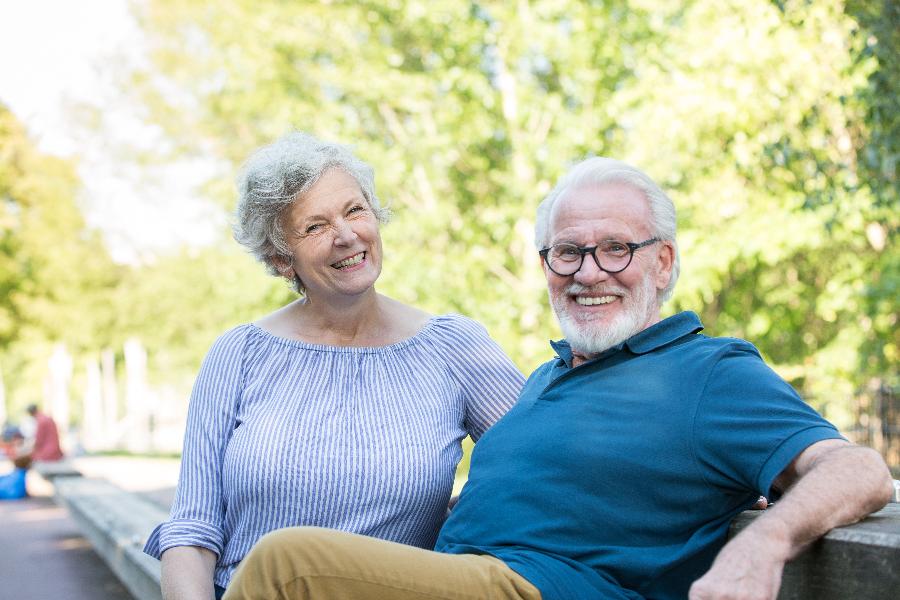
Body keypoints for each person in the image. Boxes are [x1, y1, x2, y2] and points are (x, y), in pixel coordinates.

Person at [223, 157, 894, 600]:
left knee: (288, 567)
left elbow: (858, 469)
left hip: (543, 589)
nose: (588, 272)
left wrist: (764, 546)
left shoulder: (709, 373)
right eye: (567, 252)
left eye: (616, 249)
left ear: (663, 263)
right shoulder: (545, 379)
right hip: (461, 579)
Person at [143, 132, 524, 600]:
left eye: (354, 210)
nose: (345, 236)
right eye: (315, 227)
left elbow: (542, 465)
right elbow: (192, 531)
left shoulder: (453, 347)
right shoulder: (238, 354)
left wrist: (465, 522)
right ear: (282, 260)